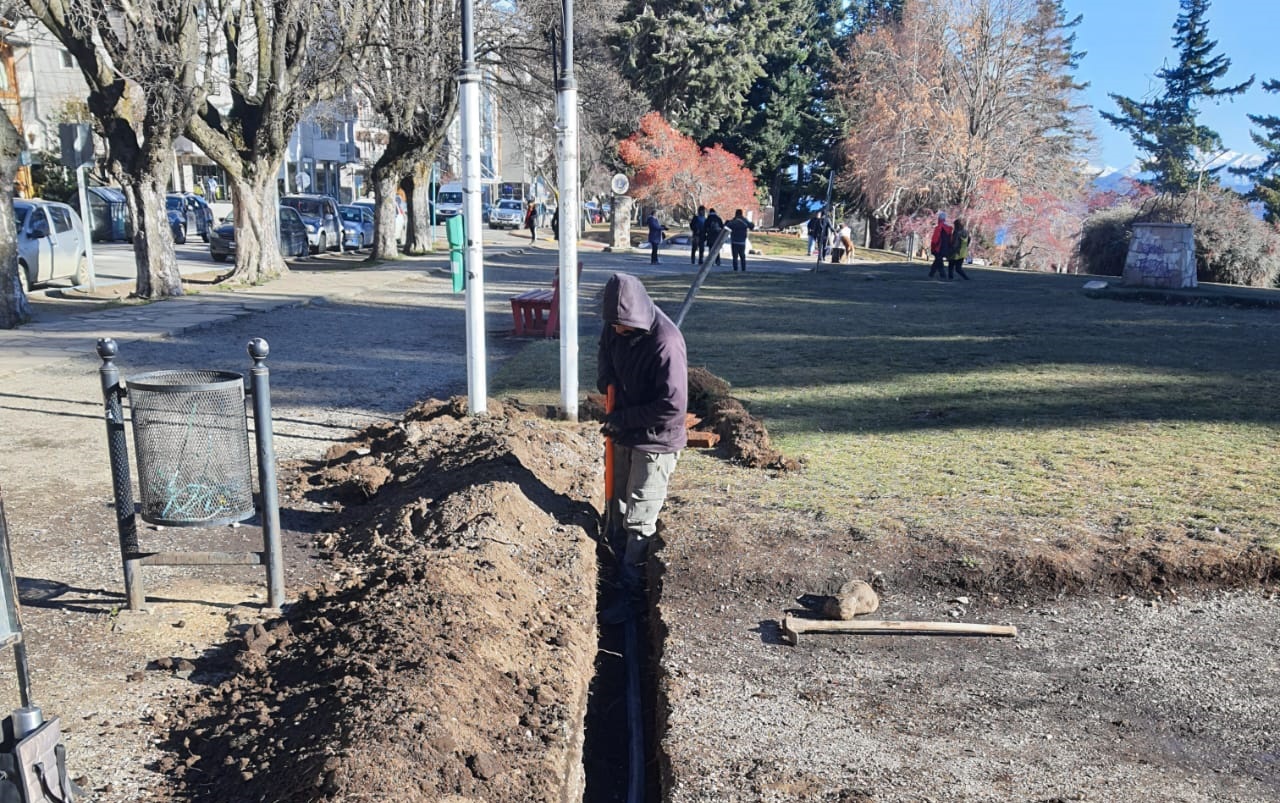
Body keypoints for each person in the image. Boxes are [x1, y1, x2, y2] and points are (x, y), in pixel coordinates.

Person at [597, 273, 688, 621]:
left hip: (656, 440)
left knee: (639, 517)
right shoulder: (616, 325)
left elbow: (672, 407)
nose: (617, 331)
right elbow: (606, 349)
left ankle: (633, 595)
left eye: (623, 327)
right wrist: (605, 380)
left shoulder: (665, 343)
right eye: (613, 325)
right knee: (617, 502)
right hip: (626, 428)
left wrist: (625, 418)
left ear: (636, 316)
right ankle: (611, 567)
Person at [928, 212, 953, 279]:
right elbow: (950, 239)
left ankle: (942, 275)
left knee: (939, 261)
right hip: (945, 248)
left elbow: (935, 238)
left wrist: (933, 246)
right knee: (937, 260)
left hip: (938, 247)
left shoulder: (939, 227)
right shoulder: (949, 228)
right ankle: (931, 273)